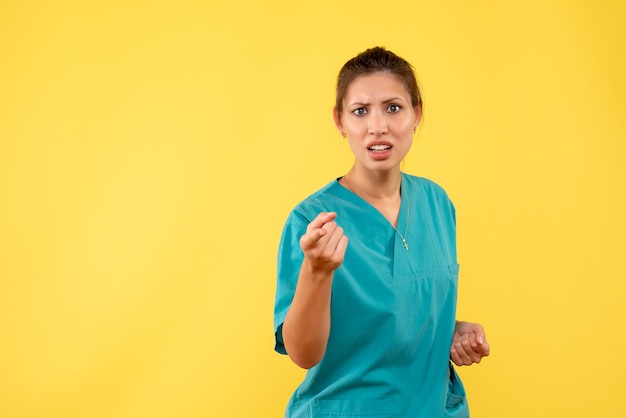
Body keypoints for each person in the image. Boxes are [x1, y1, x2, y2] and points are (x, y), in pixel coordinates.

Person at [273, 46, 490, 418]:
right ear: (340, 121)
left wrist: (449, 331)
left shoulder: (437, 204)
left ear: (416, 113)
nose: (378, 126)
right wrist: (317, 271)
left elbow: (400, 308)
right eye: (360, 111)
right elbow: (303, 354)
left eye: (393, 108)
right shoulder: (311, 221)